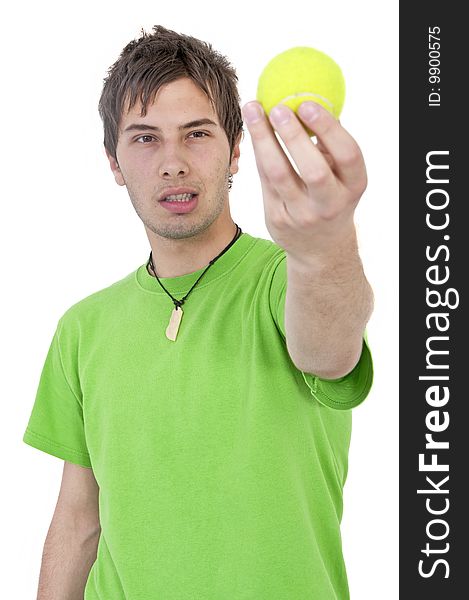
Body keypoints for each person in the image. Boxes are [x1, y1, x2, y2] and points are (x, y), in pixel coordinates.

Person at [23, 24, 374, 600]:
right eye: (144, 139)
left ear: (235, 148)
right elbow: (78, 523)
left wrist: (324, 247)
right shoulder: (81, 328)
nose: (173, 163)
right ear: (113, 162)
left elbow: (331, 349)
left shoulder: (285, 281)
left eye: (196, 133)